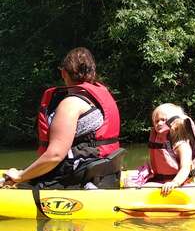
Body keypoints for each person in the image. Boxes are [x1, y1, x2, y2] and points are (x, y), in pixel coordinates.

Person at [1, 47, 121, 189]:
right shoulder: (96, 99)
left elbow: (55, 155)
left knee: (14, 183)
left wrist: (20, 176)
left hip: (77, 177)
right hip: (103, 173)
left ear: (63, 72)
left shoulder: (70, 104)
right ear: (92, 72)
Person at [144, 103, 195, 195]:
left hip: (183, 182)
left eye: (163, 120)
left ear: (175, 122)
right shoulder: (163, 142)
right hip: (162, 180)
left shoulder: (182, 145)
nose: (159, 123)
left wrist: (175, 182)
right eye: (156, 121)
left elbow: (185, 168)